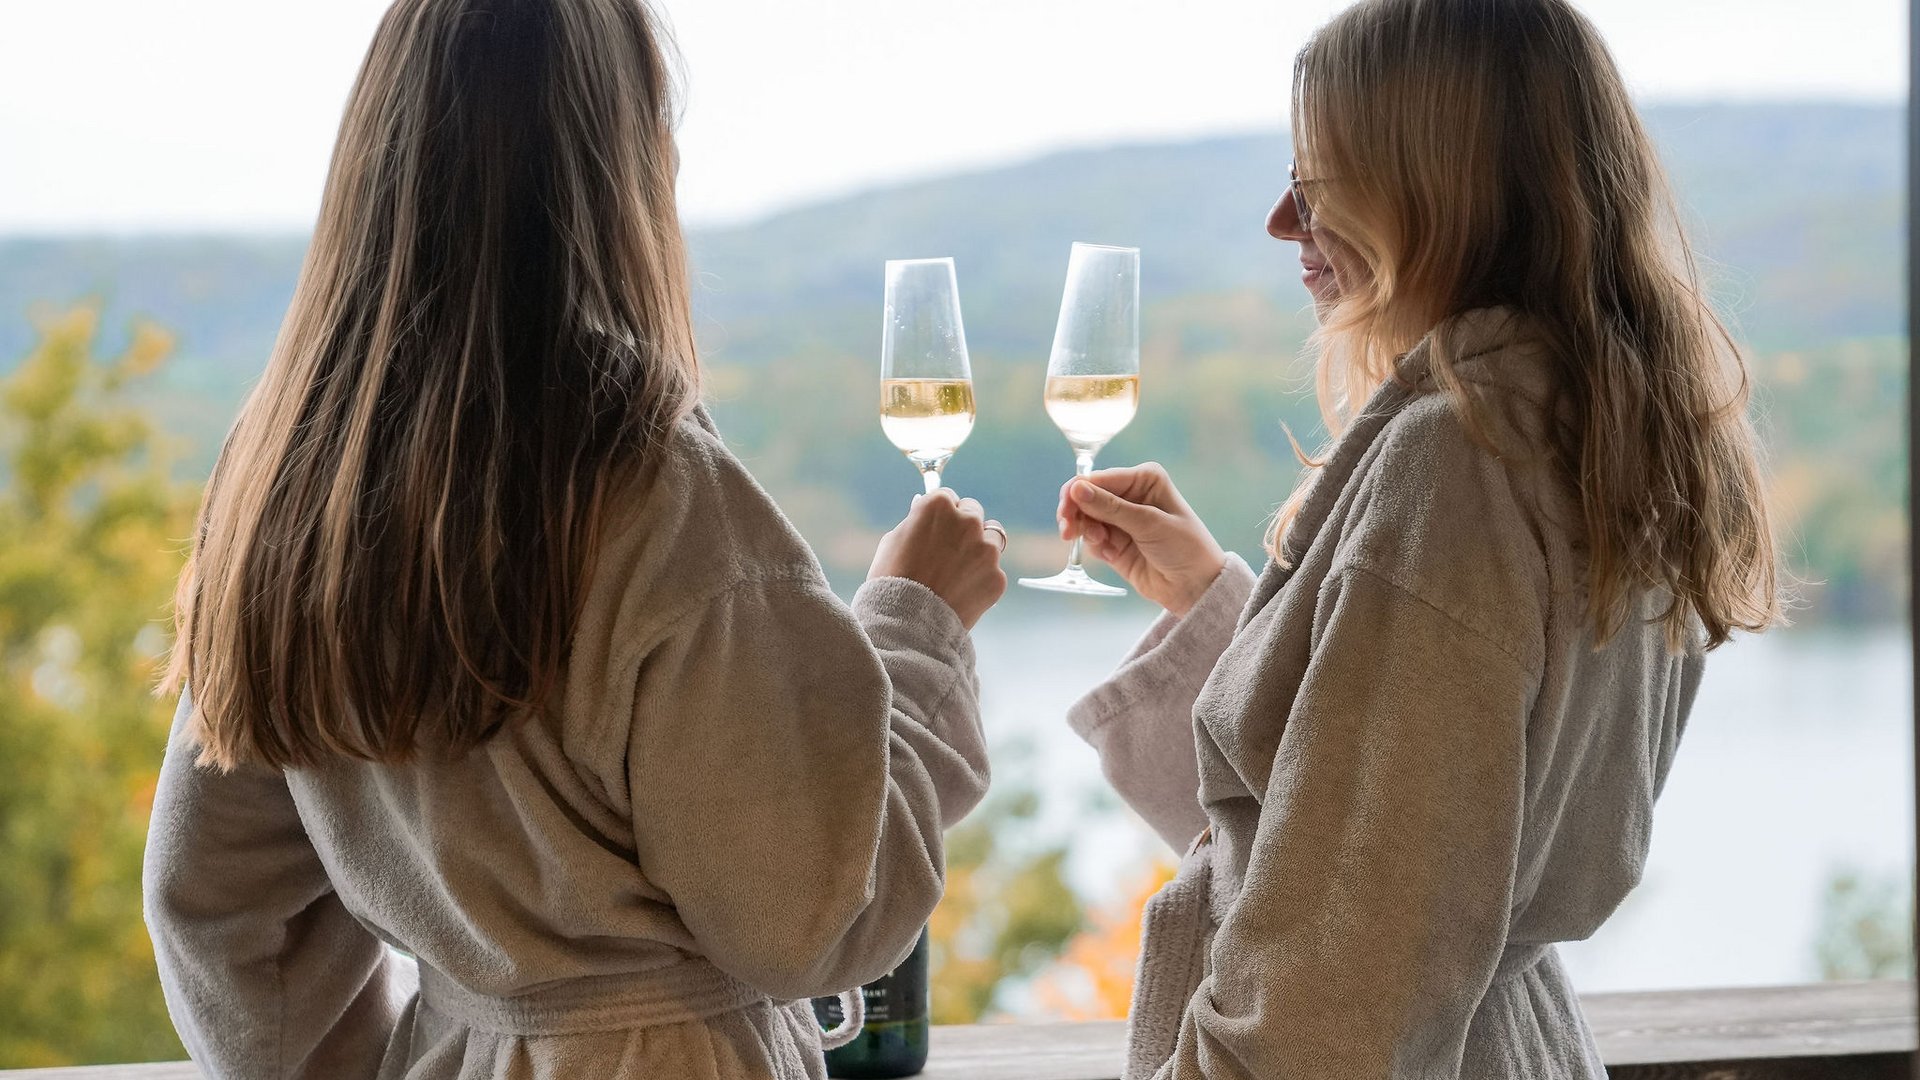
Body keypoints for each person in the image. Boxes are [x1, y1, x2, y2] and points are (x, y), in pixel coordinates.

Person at [141, 1, 1007, 1077]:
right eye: (659, 123)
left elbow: (214, 905)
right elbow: (816, 920)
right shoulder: (655, 487)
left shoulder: (288, 478)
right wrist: (917, 627)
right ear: (618, 162)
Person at [1058, 0, 1780, 1076]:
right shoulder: (1593, 430)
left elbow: (1330, 1005)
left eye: (1317, 184)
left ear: (1430, 187)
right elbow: (1408, 825)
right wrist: (1218, 602)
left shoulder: (1456, 462)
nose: (1281, 222)